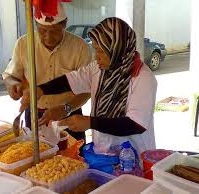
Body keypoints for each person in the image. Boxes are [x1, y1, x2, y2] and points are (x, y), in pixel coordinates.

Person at [22, 17, 157, 157]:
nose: (96, 56)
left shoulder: (143, 78)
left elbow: (135, 124)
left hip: (133, 158)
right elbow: (71, 80)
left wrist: (90, 122)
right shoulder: (99, 69)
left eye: (101, 51)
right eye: (95, 50)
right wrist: (41, 89)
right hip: (105, 153)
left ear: (117, 50)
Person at [3, 1, 91, 141]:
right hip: (34, 113)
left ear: (64, 24)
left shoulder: (80, 47)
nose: (48, 37)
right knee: (39, 159)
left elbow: (87, 89)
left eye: (55, 32)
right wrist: (13, 85)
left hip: (69, 113)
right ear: (36, 26)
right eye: (42, 31)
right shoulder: (24, 44)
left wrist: (65, 108)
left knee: (73, 159)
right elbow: (10, 75)